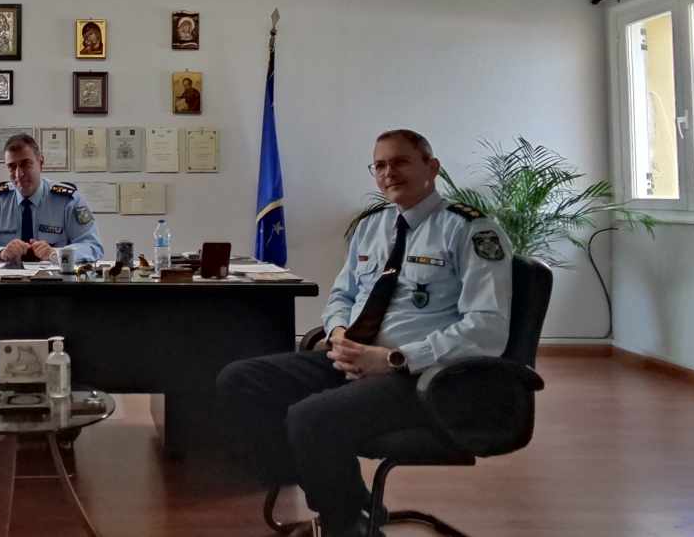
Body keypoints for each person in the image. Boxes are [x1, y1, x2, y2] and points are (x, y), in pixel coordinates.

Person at [215, 129, 513, 537]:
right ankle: (344, 498)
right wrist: (338, 331)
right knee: (241, 380)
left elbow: (487, 328)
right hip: (354, 358)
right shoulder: (371, 227)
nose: (389, 172)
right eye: (380, 165)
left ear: (432, 167)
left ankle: (344, 525)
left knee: (310, 418)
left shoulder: (470, 230)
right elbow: (343, 294)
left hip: (422, 376)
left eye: (401, 161)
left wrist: (394, 359)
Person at [0, 133, 104, 263]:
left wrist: (56, 253)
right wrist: (1, 253)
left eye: (25, 164)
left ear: (40, 163)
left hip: (55, 281)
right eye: (12, 167)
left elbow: (92, 245)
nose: (19, 174)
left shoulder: (69, 201)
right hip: (4, 281)